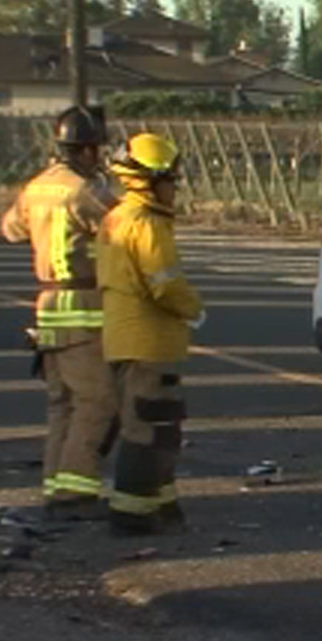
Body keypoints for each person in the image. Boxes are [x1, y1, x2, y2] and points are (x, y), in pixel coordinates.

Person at [0, 107, 117, 519]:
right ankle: (75, 488)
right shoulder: (85, 191)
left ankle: (55, 481)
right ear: (85, 149)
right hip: (81, 306)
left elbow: (10, 229)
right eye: (97, 148)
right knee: (97, 401)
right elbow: (124, 226)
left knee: (60, 403)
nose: (99, 156)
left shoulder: (37, 187)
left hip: (47, 307)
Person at [99, 133, 204, 536]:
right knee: (147, 427)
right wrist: (194, 308)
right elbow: (165, 284)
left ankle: (160, 504)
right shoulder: (147, 224)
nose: (175, 186)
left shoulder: (118, 215)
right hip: (148, 342)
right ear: (150, 179)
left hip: (127, 339)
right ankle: (133, 512)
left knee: (160, 424)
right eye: (171, 179)